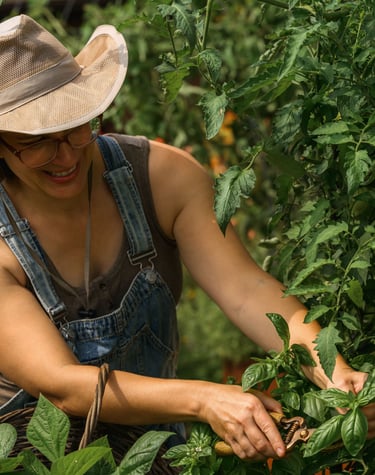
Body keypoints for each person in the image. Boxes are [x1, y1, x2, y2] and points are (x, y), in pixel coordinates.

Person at [0, 14, 373, 463]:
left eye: (77, 126)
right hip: (32, 459)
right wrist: (205, 400)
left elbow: (246, 289)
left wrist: (328, 364)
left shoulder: (160, 177)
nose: (66, 155)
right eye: (37, 142)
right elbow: (61, 384)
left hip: (156, 453)